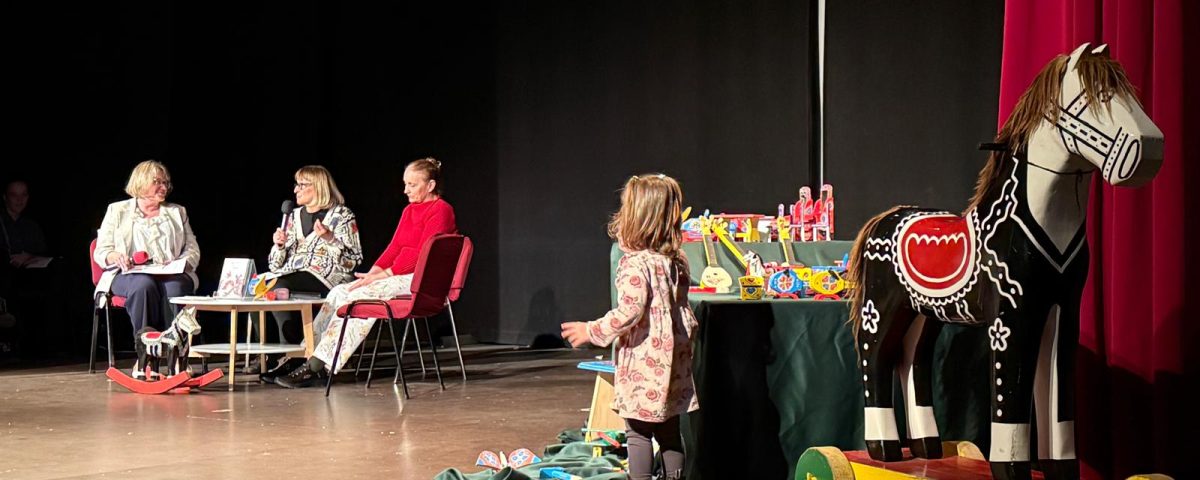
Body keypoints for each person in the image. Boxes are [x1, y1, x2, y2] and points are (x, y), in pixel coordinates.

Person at [560, 173, 699, 480]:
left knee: (638, 431)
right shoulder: (676, 261)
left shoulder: (635, 264)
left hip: (645, 363)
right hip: (673, 363)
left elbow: (629, 311)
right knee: (669, 430)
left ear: (636, 217)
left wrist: (591, 331)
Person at [271, 158, 457, 388]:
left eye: (412, 185)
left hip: (423, 280)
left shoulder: (442, 210)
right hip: (400, 276)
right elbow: (395, 248)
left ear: (430, 185)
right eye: (405, 184)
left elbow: (423, 254)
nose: (405, 190)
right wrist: (373, 273)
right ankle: (305, 355)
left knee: (360, 298)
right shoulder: (410, 210)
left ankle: (319, 365)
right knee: (340, 292)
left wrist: (384, 275)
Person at [93, 160, 200, 368]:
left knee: (175, 288)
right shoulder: (117, 211)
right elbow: (102, 250)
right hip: (129, 274)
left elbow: (192, 248)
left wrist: (182, 263)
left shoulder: (177, 212)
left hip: (171, 273)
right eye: (157, 182)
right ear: (141, 182)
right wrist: (116, 256)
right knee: (143, 286)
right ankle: (146, 356)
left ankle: (176, 355)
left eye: (165, 182)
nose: (163, 187)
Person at [264, 166, 362, 346]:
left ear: (318, 186)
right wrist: (279, 246)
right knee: (258, 288)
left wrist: (330, 239)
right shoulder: (292, 216)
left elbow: (352, 262)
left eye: (301, 185)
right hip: (292, 274)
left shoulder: (341, 215)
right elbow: (274, 266)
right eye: (296, 185)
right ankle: (264, 354)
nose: (296, 190)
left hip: (327, 278)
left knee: (277, 288)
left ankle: (291, 352)